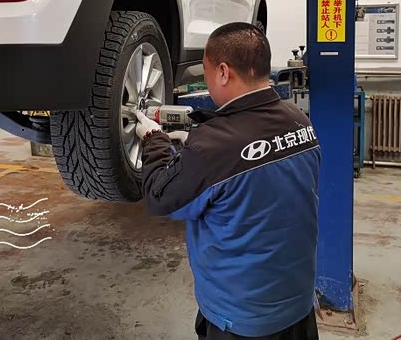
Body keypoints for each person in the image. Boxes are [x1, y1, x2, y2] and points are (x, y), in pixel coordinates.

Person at [135, 22, 321, 340]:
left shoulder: (213, 147)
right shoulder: (299, 122)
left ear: (223, 72)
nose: (207, 80)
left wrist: (154, 140)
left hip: (241, 320)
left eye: (206, 72)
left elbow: (160, 196)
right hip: (298, 307)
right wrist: (194, 147)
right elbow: (254, 169)